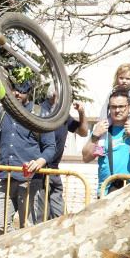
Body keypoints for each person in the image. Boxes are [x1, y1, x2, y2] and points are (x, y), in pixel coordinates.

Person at [0, 80, 57, 235]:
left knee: (29, 228)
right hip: (6, 178)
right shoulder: (1, 112)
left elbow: (50, 147)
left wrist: (40, 161)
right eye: (13, 89)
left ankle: (22, 254)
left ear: (30, 91)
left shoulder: (40, 114)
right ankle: (15, 247)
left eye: (22, 90)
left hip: (31, 181)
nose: (16, 93)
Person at [82, 87, 130, 195]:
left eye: (121, 106)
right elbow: (86, 158)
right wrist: (95, 135)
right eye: (113, 107)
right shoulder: (102, 129)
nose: (117, 110)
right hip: (106, 192)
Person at [34, 90, 88, 223]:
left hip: (53, 171)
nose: (68, 100)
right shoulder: (38, 112)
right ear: (54, 96)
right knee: (40, 218)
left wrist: (81, 113)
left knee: (61, 217)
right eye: (65, 96)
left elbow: (83, 132)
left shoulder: (62, 115)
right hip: (37, 171)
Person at [93, 63, 130, 158]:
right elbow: (106, 105)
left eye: (127, 79)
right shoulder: (113, 91)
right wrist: (103, 119)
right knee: (103, 125)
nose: (124, 81)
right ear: (117, 78)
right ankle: (100, 146)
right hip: (115, 116)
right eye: (121, 78)